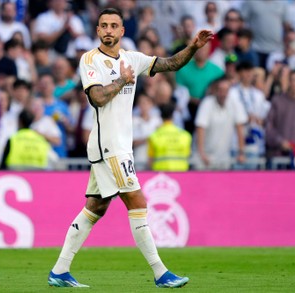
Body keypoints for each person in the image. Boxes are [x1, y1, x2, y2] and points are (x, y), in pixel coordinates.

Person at [48, 7, 213, 288]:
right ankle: (161, 273)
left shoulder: (132, 59)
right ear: (98, 30)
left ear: (122, 31)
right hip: (108, 145)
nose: (109, 30)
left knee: (96, 207)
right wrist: (123, 79)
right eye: (104, 25)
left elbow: (170, 64)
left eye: (114, 25)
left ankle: (60, 271)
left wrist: (193, 47)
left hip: (119, 146)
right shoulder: (90, 60)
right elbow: (98, 98)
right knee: (137, 201)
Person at [193, 78, 247, 170]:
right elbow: (200, 128)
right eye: (221, 90)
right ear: (215, 90)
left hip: (223, 158)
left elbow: (240, 129)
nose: (223, 93)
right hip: (203, 158)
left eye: (226, 90)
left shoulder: (234, 103)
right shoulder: (207, 103)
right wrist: (202, 153)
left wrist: (241, 152)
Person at [265, 70, 295, 167]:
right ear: (288, 82)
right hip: (278, 156)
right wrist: (280, 142)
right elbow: (269, 127)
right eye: (292, 80)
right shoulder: (277, 101)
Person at [147, 102, 192, 171]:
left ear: (161, 116)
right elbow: (188, 156)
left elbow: (150, 160)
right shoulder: (185, 135)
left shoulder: (154, 136)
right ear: (173, 116)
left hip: (160, 173)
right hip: (182, 174)